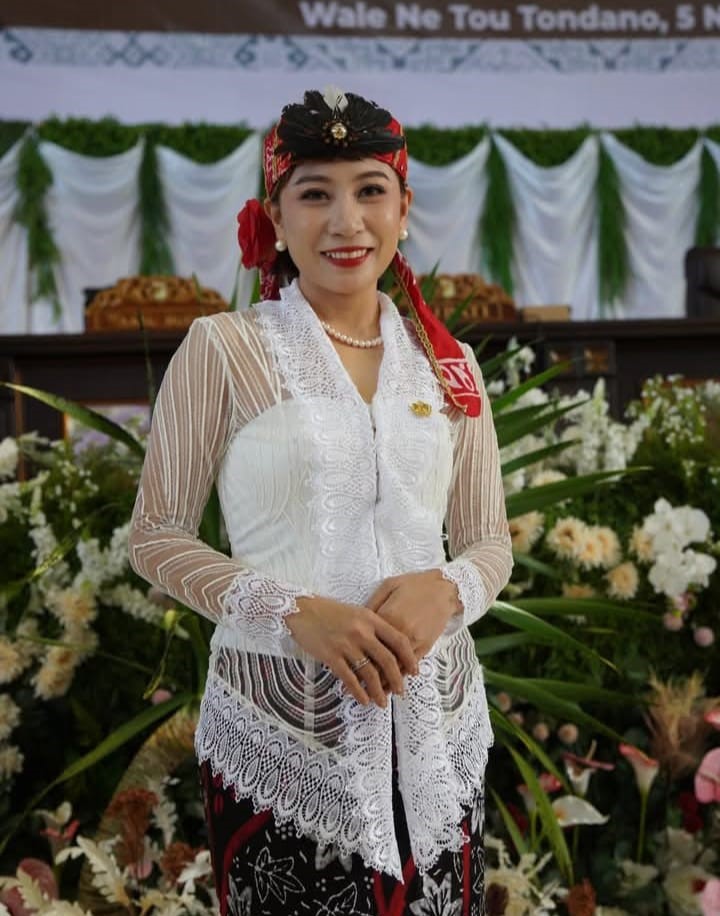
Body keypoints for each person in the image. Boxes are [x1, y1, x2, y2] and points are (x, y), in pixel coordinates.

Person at [128, 87, 512, 916]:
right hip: (282, 736)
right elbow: (154, 535)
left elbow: (490, 540)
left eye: (371, 190)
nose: (347, 221)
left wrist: (448, 589)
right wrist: (295, 612)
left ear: (404, 208)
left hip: (438, 739)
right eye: (315, 194)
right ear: (274, 214)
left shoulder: (448, 364)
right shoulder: (225, 348)